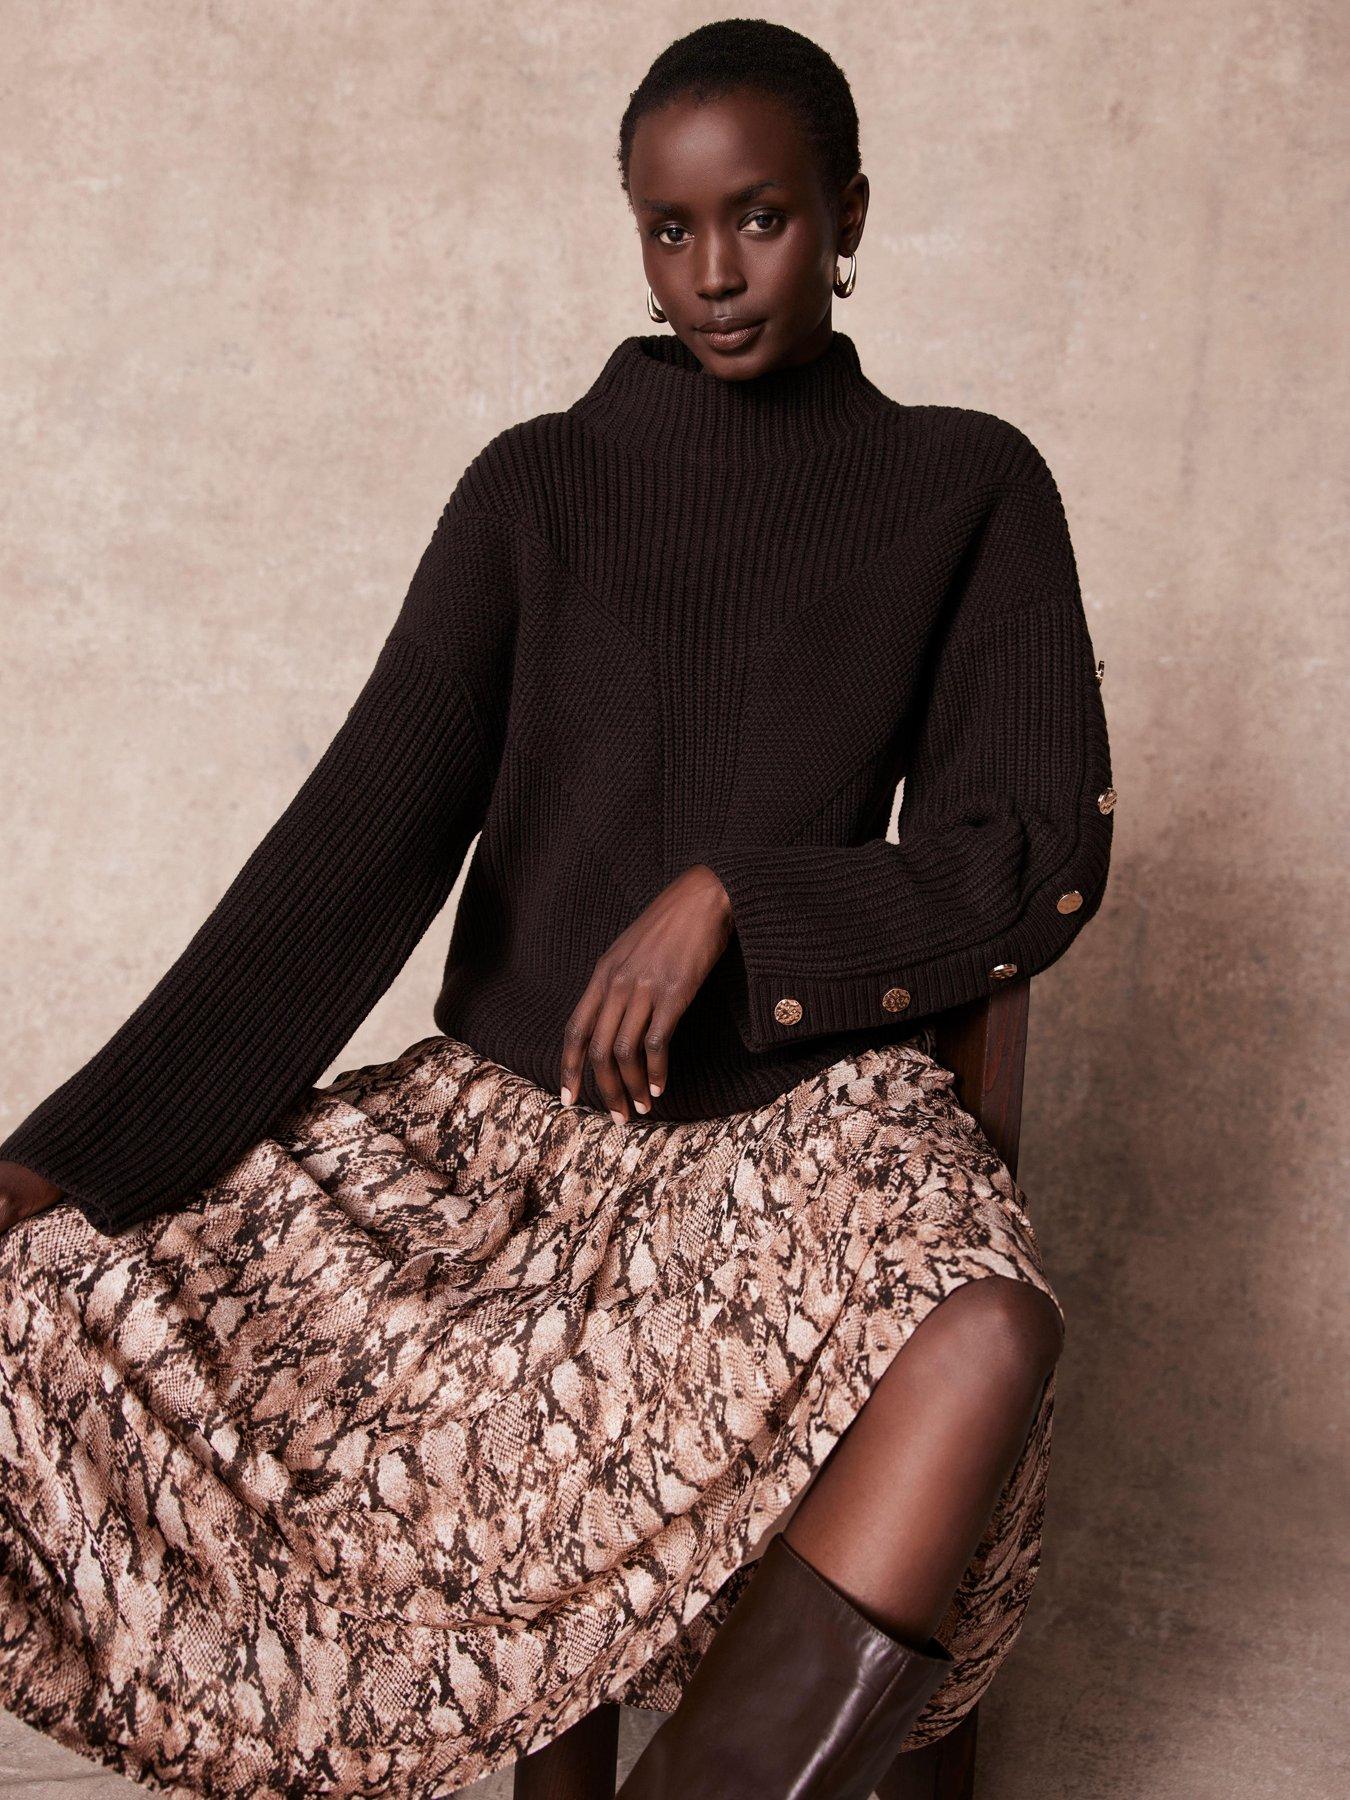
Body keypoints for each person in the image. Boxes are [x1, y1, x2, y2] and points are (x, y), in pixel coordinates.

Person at [0, 19, 1113, 1798]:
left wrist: (738, 899)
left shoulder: (964, 482)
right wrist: (66, 1153)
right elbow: (351, 848)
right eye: (670, 229)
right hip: (515, 1137)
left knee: (988, 1324)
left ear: (846, 217)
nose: (714, 270)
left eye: (759, 218)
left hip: (806, 1130)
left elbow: (1032, 847)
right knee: (61, 1300)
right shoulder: (533, 486)